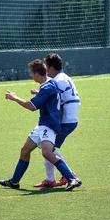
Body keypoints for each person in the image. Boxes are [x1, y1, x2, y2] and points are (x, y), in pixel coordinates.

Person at [0, 59, 82, 191]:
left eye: (31, 73)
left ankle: (72, 178)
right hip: (43, 125)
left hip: (48, 126)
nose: (31, 75)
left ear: (37, 74)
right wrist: (39, 94)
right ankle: (14, 182)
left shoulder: (48, 86)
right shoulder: (49, 84)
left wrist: (14, 97)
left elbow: (31, 106)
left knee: (47, 153)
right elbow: (54, 98)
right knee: (25, 150)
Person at [32, 53, 80, 188]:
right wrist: (39, 93)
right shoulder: (64, 77)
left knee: (49, 150)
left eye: (46, 66)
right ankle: (52, 178)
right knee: (49, 148)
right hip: (72, 118)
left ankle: (69, 176)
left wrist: (56, 123)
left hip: (65, 120)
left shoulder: (57, 81)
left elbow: (59, 104)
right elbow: (56, 97)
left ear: (51, 67)